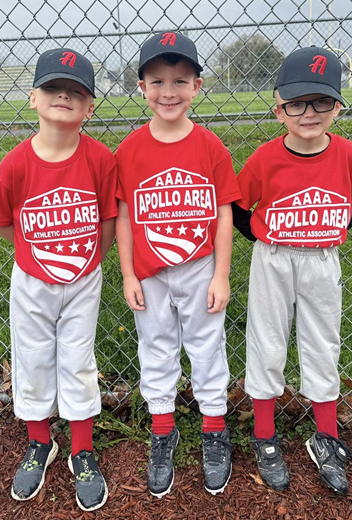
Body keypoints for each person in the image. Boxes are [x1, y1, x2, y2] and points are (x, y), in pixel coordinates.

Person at [232, 46, 352, 496]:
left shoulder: (348, 154)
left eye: (321, 101)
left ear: (338, 106)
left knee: (322, 344)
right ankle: (264, 435)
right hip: (274, 258)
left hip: (320, 259)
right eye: (297, 103)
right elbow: (238, 207)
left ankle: (325, 436)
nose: (309, 113)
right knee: (267, 340)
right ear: (279, 109)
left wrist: (327, 229)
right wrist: (266, 239)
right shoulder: (265, 157)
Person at [0, 47, 117, 512]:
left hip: (83, 278)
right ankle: (41, 442)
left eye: (75, 92)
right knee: (34, 357)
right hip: (32, 280)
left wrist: (89, 258)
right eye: (53, 88)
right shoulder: (15, 163)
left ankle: (82, 450)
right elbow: (2, 221)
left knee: (77, 359)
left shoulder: (100, 159)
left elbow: (108, 220)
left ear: (89, 107)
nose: (64, 96)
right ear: (33, 97)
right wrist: (34, 251)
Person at [114, 31, 242, 497]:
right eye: (158, 81)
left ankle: (214, 429)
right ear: (141, 87)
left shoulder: (210, 146)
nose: (168, 92)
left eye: (180, 81)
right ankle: (163, 429)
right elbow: (124, 214)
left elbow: (224, 212)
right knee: (156, 345)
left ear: (197, 86)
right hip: (150, 271)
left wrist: (222, 274)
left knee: (207, 345)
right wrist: (128, 273)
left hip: (200, 265)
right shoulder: (129, 149)